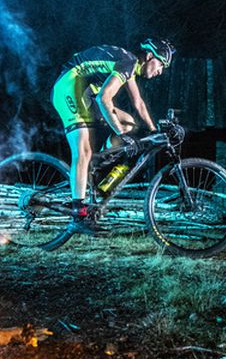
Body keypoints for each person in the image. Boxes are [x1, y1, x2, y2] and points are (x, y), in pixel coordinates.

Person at [51, 38, 175, 232]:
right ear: (150, 56)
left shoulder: (129, 65)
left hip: (84, 91)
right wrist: (120, 134)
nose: (160, 71)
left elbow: (138, 103)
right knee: (82, 150)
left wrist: (154, 130)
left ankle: (97, 161)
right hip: (69, 86)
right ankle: (78, 216)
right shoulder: (128, 62)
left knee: (129, 122)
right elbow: (104, 98)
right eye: (161, 65)